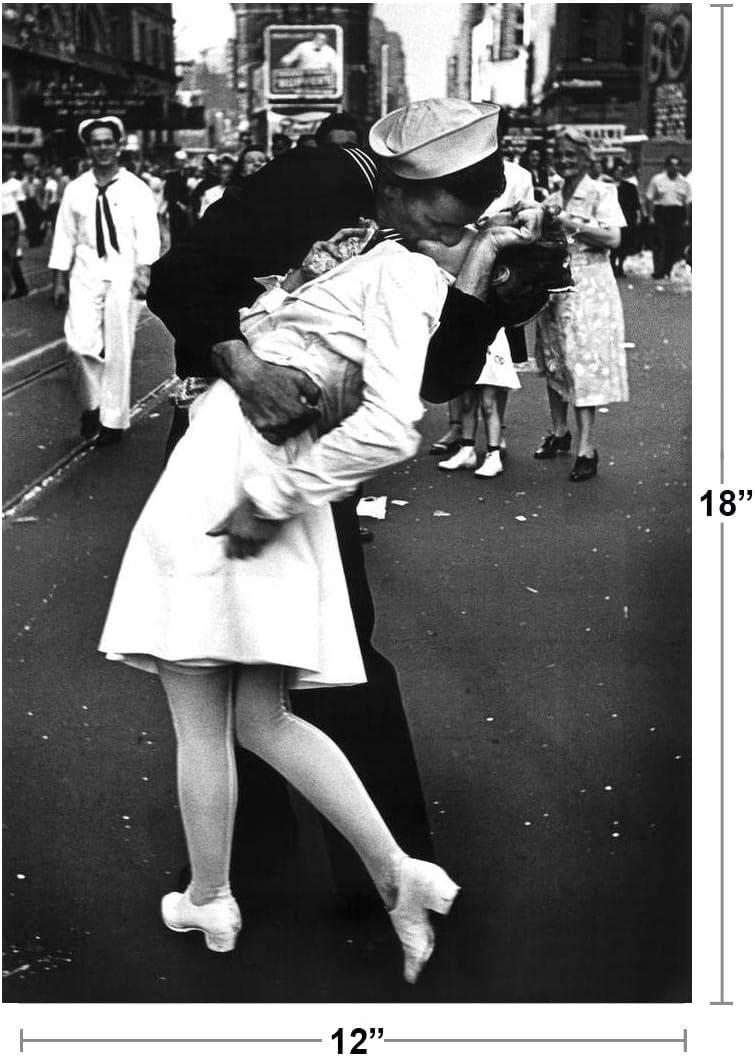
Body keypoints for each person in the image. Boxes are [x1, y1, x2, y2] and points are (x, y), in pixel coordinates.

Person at [101, 98, 528, 981]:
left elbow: (435, 379)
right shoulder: (317, 180)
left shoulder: (436, 246)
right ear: (406, 184)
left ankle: (356, 872)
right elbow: (182, 277)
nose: (447, 233)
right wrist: (245, 367)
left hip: (306, 457)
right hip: (238, 430)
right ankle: (247, 868)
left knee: (319, 656)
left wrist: (482, 289)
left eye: (470, 220)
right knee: (238, 669)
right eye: (446, 211)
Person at [49, 116, 160, 445]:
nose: (103, 148)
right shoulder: (76, 189)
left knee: (119, 345)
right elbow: (64, 236)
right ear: (88, 148)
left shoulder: (136, 189)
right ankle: (92, 404)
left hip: (124, 271)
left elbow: (148, 235)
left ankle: (112, 420)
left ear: (119, 145)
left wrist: (144, 271)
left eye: (108, 142)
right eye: (96, 143)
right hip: (85, 270)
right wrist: (57, 280)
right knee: (78, 343)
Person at [533, 127, 628, 482]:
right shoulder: (553, 195)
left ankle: (587, 448)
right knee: (556, 361)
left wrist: (567, 222)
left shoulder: (602, 192)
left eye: (571, 155)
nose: (564, 161)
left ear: (587, 158)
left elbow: (613, 237)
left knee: (583, 364)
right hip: (556, 287)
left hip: (591, 288)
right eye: (559, 155)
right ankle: (560, 432)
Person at [433, 157, 535, 473]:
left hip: (497, 283)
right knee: (460, 371)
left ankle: (494, 442)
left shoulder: (519, 177)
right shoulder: (452, 171)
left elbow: (526, 225)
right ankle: (462, 437)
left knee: (491, 382)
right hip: (461, 273)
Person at [645, 154, 691, 279]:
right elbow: (649, 198)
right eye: (671, 165)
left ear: (680, 167)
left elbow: (687, 202)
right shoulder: (657, 179)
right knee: (660, 242)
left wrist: (687, 219)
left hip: (677, 213)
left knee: (673, 242)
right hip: (661, 212)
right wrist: (650, 216)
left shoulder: (684, 182)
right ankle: (658, 270)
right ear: (666, 166)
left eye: (677, 165)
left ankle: (667, 269)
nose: (674, 168)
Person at [609, 159, 642, 277]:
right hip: (611, 218)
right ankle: (612, 266)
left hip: (627, 218)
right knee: (612, 244)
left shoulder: (630, 187)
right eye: (616, 171)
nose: (618, 174)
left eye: (620, 172)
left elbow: (636, 204)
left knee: (624, 244)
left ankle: (621, 267)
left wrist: (638, 217)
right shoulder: (607, 187)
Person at [2, 160, 28, 300]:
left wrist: (23, 225)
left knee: (5, 255)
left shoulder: (14, 185)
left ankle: (5, 290)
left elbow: (21, 206)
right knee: (9, 257)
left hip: (9, 221)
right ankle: (21, 286)